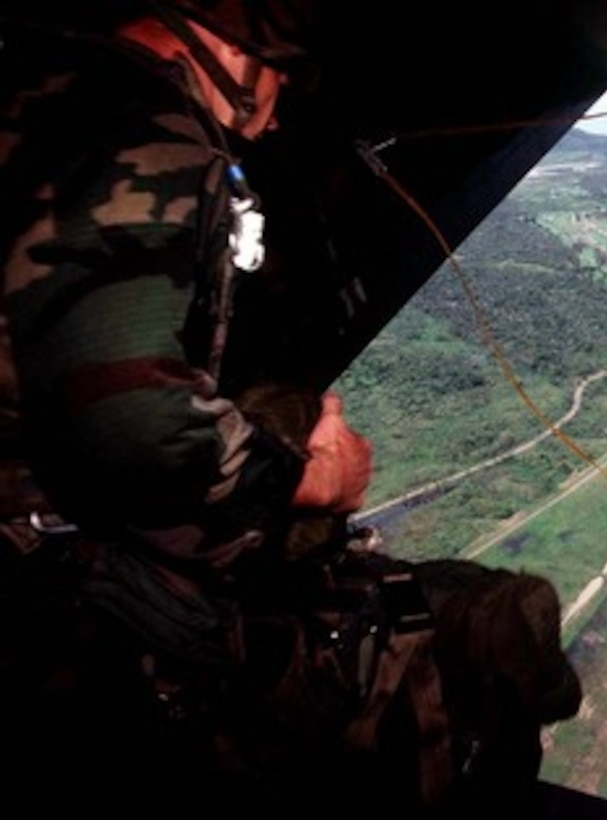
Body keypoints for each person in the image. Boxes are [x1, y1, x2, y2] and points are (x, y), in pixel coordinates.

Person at [0, 0, 374, 800]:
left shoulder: (37, 80)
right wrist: (308, 482)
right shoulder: (148, 131)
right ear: (247, 43)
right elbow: (131, 422)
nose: (272, 121)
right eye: (285, 77)